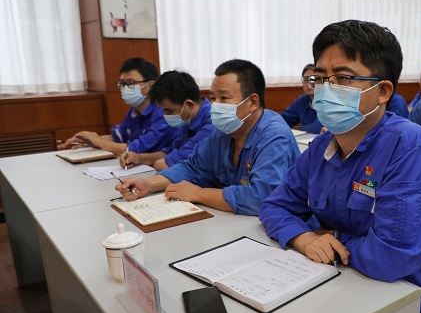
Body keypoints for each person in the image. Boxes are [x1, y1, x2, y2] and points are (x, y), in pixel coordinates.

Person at [258, 20, 421, 313]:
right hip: (340, 296)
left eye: (342, 78)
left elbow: (393, 255)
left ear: (382, 91)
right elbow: (273, 206)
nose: (324, 89)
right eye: (319, 77)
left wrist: (333, 237)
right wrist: (304, 238)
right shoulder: (321, 147)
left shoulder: (408, 147)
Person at [115, 59, 300, 216]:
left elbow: (259, 198)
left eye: (224, 98)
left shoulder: (274, 137)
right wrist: (147, 184)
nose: (215, 106)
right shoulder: (224, 133)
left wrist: (198, 194)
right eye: (213, 98)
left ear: (252, 102)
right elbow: (192, 167)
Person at [57, 58, 177, 155]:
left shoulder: (164, 113)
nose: (125, 88)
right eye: (122, 84)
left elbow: (137, 149)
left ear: (150, 85)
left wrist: (98, 141)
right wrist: (88, 140)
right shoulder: (134, 111)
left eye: (131, 83)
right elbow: (117, 138)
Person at [121, 70, 215, 171]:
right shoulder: (188, 119)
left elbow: (170, 163)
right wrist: (139, 158)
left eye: (169, 111)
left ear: (189, 105)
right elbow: (170, 151)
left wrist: (158, 163)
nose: (165, 116)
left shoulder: (212, 123)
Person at [281, 64, 325, 134]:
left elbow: (318, 127)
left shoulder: (328, 101)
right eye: (306, 79)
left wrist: (300, 128)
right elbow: (284, 120)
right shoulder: (302, 101)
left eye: (313, 79)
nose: (308, 84)